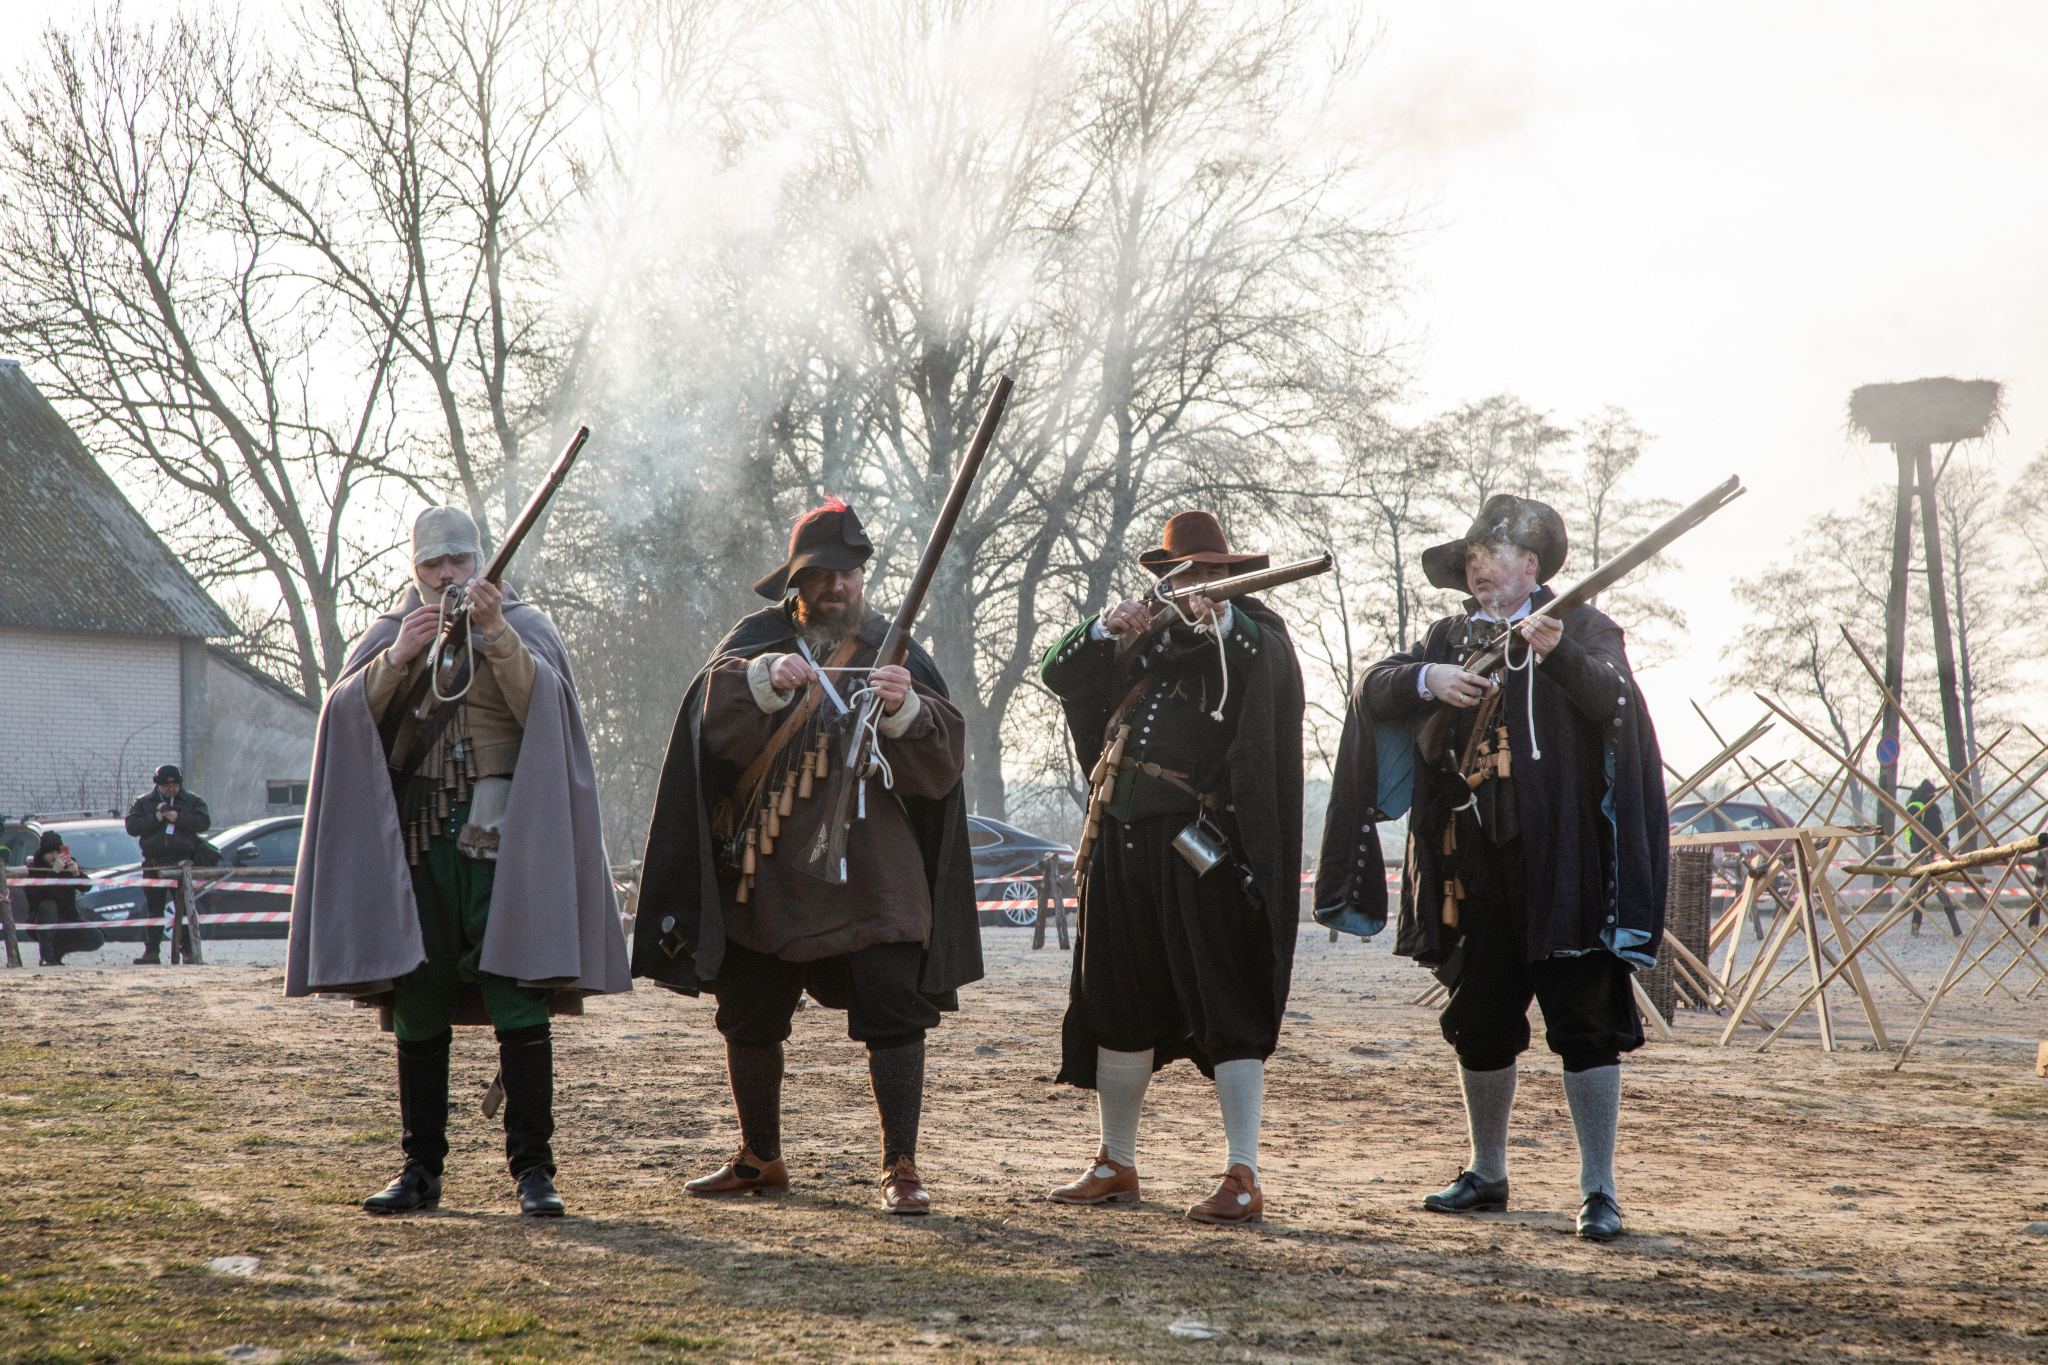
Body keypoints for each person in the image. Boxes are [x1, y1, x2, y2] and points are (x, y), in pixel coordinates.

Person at [1319, 495, 1667, 1243]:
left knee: (1585, 1023)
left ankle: (1598, 1190)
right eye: (1472, 557)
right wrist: (1429, 682)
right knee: (1479, 1021)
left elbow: (1615, 699)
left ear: (1531, 564)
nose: (1478, 567)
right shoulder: (1446, 637)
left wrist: (1556, 650)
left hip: (1563, 864)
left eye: (1494, 553)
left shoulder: (1584, 627)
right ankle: (1487, 1170)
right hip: (1468, 865)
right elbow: (1376, 684)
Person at [634, 498, 977, 1215]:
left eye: (848, 573)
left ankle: (901, 1165)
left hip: (873, 879)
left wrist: (903, 709)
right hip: (768, 878)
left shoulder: (897, 650)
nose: (837, 586)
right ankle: (760, 1156)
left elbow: (943, 761)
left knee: (894, 1010)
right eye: (822, 574)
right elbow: (707, 720)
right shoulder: (756, 643)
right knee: (748, 1012)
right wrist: (765, 683)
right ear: (796, 582)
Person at [286, 506, 630, 1218]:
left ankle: (534, 1169)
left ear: (480, 562)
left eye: (459, 562)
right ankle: (420, 1168)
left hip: (509, 836)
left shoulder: (524, 625)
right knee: (420, 991)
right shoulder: (390, 633)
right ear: (415, 570)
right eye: (432, 565)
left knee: (517, 988)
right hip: (418, 839)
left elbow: (549, 708)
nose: (446, 575)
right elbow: (346, 714)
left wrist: (498, 636)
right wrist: (395, 661)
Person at [1038, 511, 1304, 1226]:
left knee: (1226, 1000)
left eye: (1213, 572)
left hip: (1199, 847)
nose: (1200, 583)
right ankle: (1115, 1160)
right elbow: (1057, 672)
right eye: (1187, 573)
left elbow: (1264, 663)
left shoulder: (1250, 632)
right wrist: (1102, 626)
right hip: (1121, 841)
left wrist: (1224, 622)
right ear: (1167, 578)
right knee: (1115, 998)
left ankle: (1243, 1172)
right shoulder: (1142, 638)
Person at [124, 764, 210, 964]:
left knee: (186, 908)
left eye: (175, 785)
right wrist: (156, 818)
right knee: (154, 909)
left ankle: (188, 951)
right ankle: (152, 951)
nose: (171, 789)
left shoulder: (192, 801)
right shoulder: (144, 802)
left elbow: (204, 822)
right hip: (154, 863)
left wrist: (179, 818)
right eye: (166, 786)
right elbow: (132, 826)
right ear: (158, 785)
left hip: (182, 863)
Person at [19, 831, 104, 965]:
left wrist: (77, 874)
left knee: (96, 938)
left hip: (69, 918)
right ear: (42, 853)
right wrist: (55, 872)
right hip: (41, 921)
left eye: (57, 852)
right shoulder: (35, 868)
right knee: (48, 906)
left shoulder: (69, 864)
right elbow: (38, 895)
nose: (54, 856)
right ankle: (47, 957)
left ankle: (57, 953)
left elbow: (87, 887)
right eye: (50, 853)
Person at [1902, 778, 1962, 936]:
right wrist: (1922, 849)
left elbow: (1939, 830)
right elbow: (1914, 831)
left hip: (1936, 851)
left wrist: (1945, 848)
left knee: (1923, 889)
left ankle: (1916, 925)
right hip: (1923, 853)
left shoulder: (1932, 807)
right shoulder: (1915, 806)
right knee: (1937, 887)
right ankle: (1954, 926)